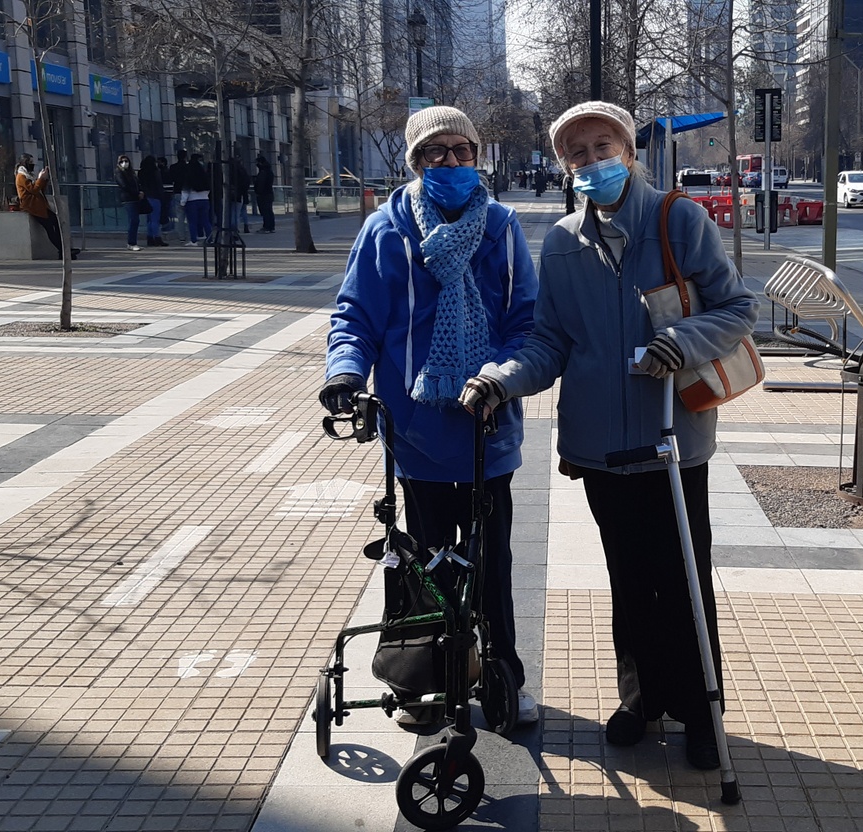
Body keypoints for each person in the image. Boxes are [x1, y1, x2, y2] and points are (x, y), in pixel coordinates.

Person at [459, 101, 759, 768]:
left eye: (603, 146)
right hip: (599, 446)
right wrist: (501, 380)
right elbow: (551, 340)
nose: (592, 161)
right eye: (578, 153)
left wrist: (680, 341)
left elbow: (738, 308)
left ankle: (700, 709)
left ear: (629, 149)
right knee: (627, 577)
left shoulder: (678, 219)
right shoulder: (564, 240)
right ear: (566, 166)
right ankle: (640, 699)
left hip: (672, 437)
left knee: (682, 578)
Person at [319, 106, 540, 727]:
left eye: (460, 150)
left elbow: (526, 322)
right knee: (423, 564)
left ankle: (502, 676)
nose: (448, 162)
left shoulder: (501, 227)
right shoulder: (387, 229)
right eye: (434, 152)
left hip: (486, 429)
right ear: (414, 162)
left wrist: (497, 378)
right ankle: (424, 680)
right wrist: (343, 372)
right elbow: (355, 314)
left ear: (477, 156)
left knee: (490, 563)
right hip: (414, 434)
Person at [14, 153, 78, 260]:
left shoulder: (28, 175)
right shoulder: (21, 176)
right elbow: (33, 189)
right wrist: (40, 179)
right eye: (30, 162)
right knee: (49, 227)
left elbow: (39, 190)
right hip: (32, 207)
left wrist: (44, 179)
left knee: (56, 223)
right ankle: (62, 251)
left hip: (40, 205)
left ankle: (64, 249)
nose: (32, 164)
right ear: (24, 163)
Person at [114, 154, 143, 251]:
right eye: (122, 161)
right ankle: (131, 243)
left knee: (135, 220)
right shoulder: (119, 172)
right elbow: (124, 185)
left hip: (135, 198)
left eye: (126, 161)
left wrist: (140, 191)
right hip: (128, 199)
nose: (124, 163)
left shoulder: (131, 173)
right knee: (133, 220)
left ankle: (133, 242)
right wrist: (136, 193)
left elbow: (137, 183)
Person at [182, 153, 212, 246]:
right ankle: (210, 239)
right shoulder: (204, 174)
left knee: (192, 222)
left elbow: (186, 190)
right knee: (205, 221)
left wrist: (182, 202)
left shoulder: (189, 174)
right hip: (204, 200)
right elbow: (209, 188)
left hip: (192, 200)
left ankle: (194, 240)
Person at [140, 154, 168, 247]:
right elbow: (159, 185)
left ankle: (150, 238)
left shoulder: (141, 172)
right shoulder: (155, 172)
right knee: (155, 219)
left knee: (149, 220)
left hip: (146, 197)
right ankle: (157, 237)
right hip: (155, 196)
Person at [168, 150, 190, 242]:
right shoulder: (189, 167)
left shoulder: (173, 167)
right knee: (190, 215)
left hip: (177, 191)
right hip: (188, 192)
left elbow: (170, 178)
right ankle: (191, 235)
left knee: (180, 216)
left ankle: (182, 236)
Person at [254, 155, 276, 233]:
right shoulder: (269, 171)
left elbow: (261, 184)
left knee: (265, 211)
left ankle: (266, 227)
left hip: (264, 194)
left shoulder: (263, 172)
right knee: (269, 211)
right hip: (269, 193)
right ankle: (271, 227)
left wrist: (258, 192)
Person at [232, 157, 251, 233]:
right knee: (242, 211)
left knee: (233, 212)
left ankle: (234, 228)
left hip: (235, 194)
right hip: (242, 194)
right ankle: (245, 226)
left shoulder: (231, 171)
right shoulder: (243, 170)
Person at [158, 156, 174, 234]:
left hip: (164, 193)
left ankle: (166, 226)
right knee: (167, 210)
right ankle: (167, 226)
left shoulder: (161, 172)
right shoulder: (167, 171)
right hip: (168, 193)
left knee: (165, 210)